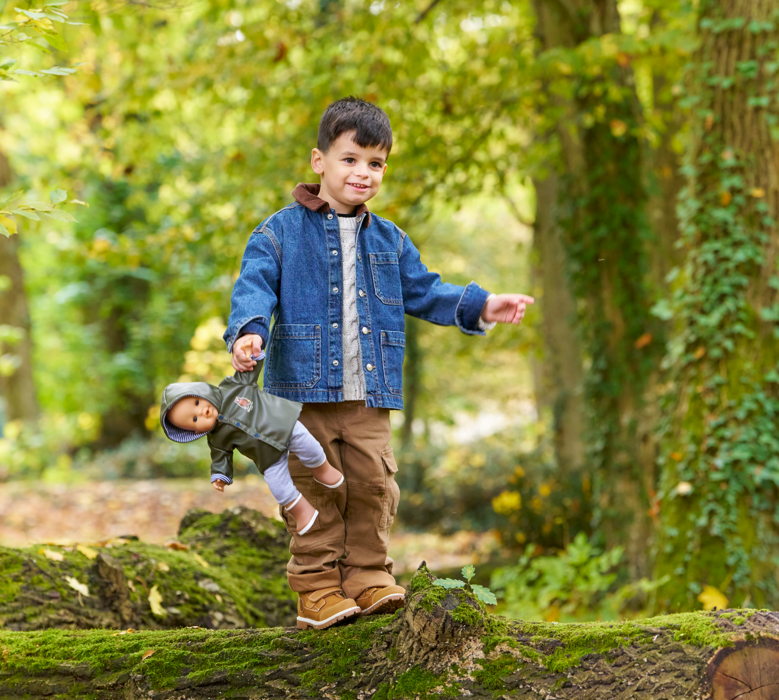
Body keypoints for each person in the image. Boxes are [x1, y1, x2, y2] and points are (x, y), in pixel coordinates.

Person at [222, 96, 534, 630]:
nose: (363, 173)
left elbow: (426, 290)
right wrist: (248, 333)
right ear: (318, 160)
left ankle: (367, 575)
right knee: (315, 488)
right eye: (350, 159)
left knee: (371, 485)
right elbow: (253, 289)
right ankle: (317, 587)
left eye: (375, 163)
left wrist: (482, 306)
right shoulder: (278, 233)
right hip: (303, 396)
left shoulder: (389, 239)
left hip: (369, 393)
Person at [159, 348, 360, 629]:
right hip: (268, 457)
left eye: (195, 402)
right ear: (195, 432)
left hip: (285, 425)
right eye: (194, 419)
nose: (200, 411)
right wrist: (220, 476)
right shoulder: (216, 438)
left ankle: (323, 471)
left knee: (311, 447)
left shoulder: (232, 387)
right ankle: (302, 511)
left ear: (200, 391)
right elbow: (221, 458)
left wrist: (252, 353)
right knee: (279, 486)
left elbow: (250, 369)